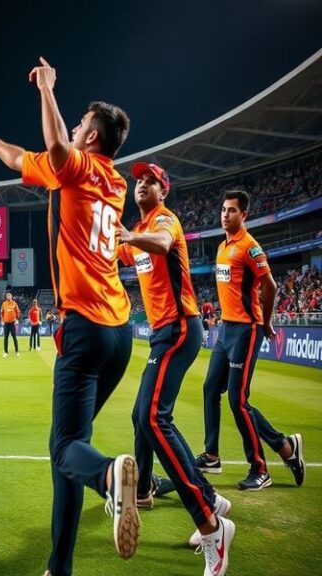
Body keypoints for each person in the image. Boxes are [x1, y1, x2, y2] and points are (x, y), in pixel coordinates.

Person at [0, 57, 142, 576]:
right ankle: (58, 566)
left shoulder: (79, 165)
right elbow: (30, 155)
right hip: (120, 330)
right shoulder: (111, 182)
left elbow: (58, 147)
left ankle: (111, 478)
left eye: (84, 123)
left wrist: (47, 90)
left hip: (85, 328)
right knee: (67, 447)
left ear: (90, 138)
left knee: (67, 447)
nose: (77, 129)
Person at [117, 162, 233, 569]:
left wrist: (130, 235)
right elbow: (116, 255)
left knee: (152, 417)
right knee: (142, 416)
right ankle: (169, 491)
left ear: (163, 190)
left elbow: (163, 244)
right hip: (162, 332)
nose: (141, 185)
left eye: (149, 181)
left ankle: (211, 524)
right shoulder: (137, 230)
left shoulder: (164, 220)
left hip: (181, 327)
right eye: (138, 182)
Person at [196, 189, 304, 493]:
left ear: (244, 215)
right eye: (223, 209)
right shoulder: (220, 247)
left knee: (237, 400)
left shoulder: (250, 247)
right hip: (225, 332)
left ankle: (260, 469)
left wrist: (266, 320)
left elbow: (270, 286)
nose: (225, 214)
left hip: (247, 329)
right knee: (209, 389)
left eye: (232, 210)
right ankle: (214, 455)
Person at [0, 290, 20, 357]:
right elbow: (1, 313)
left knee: (14, 337)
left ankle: (17, 351)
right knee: (5, 338)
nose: (8, 296)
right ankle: (5, 352)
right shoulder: (4, 304)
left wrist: (17, 319)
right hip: (6, 323)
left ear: (11, 296)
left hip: (12, 323)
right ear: (6, 297)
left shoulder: (14, 303)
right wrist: (2, 320)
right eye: (7, 295)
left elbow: (18, 311)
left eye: (9, 295)